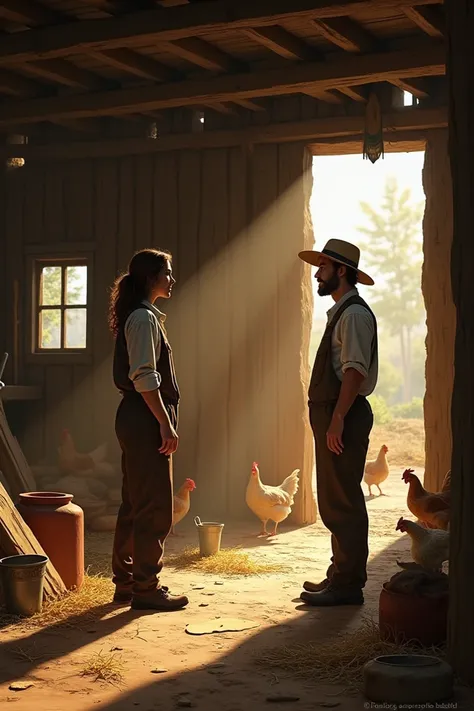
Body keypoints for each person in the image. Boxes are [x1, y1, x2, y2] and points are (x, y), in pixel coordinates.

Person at [297, 239, 378, 607]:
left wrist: (339, 419)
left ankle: (347, 585)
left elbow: (354, 372)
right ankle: (339, 574)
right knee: (333, 497)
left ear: (341, 271)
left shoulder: (355, 315)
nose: (318, 273)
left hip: (343, 414)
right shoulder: (341, 312)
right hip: (334, 414)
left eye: (324, 266)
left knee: (343, 498)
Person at [108, 248, 189, 611]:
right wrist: (165, 422)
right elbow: (144, 377)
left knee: (135, 503)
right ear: (150, 277)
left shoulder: (143, 316)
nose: (171, 279)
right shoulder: (143, 319)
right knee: (154, 505)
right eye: (167, 273)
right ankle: (145, 588)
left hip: (136, 417)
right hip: (144, 417)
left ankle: (127, 583)